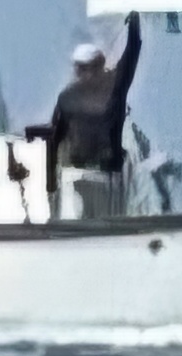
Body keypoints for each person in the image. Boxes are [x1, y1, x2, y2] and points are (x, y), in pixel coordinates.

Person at [39, 16, 143, 220]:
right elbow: (54, 138)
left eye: (90, 67)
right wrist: (51, 188)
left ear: (100, 65)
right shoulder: (67, 97)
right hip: (76, 176)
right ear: (77, 69)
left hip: (108, 177)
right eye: (82, 68)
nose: (86, 73)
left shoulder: (114, 87)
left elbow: (131, 53)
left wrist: (135, 23)